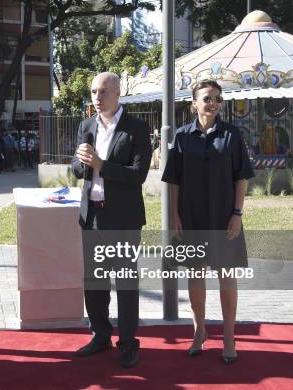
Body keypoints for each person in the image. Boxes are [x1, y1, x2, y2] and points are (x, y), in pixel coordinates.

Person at [162, 79, 254, 364]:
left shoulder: (232, 135)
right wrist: (174, 214)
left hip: (224, 218)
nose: (212, 102)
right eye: (206, 98)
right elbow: (174, 181)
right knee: (196, 274)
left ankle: (228, 337)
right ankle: (199, 331)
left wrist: (237, 214)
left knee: (227, 276)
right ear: (194, 103)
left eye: (216, 98)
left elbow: (241, 178)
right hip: (191, 218)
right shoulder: (181, 136)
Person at [72, 72, 151, 368]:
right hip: (91, 216)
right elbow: (78, 171)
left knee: (126, 283)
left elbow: (138, 175)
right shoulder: (86, 126)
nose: (97, 96)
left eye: (103, 91)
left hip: (123, 219)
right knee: (94, 283)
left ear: (118, 93)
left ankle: (128, 343)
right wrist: (80, 162)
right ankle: (100, 335)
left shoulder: (137, 129)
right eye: (93, 91)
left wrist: (102, 166)